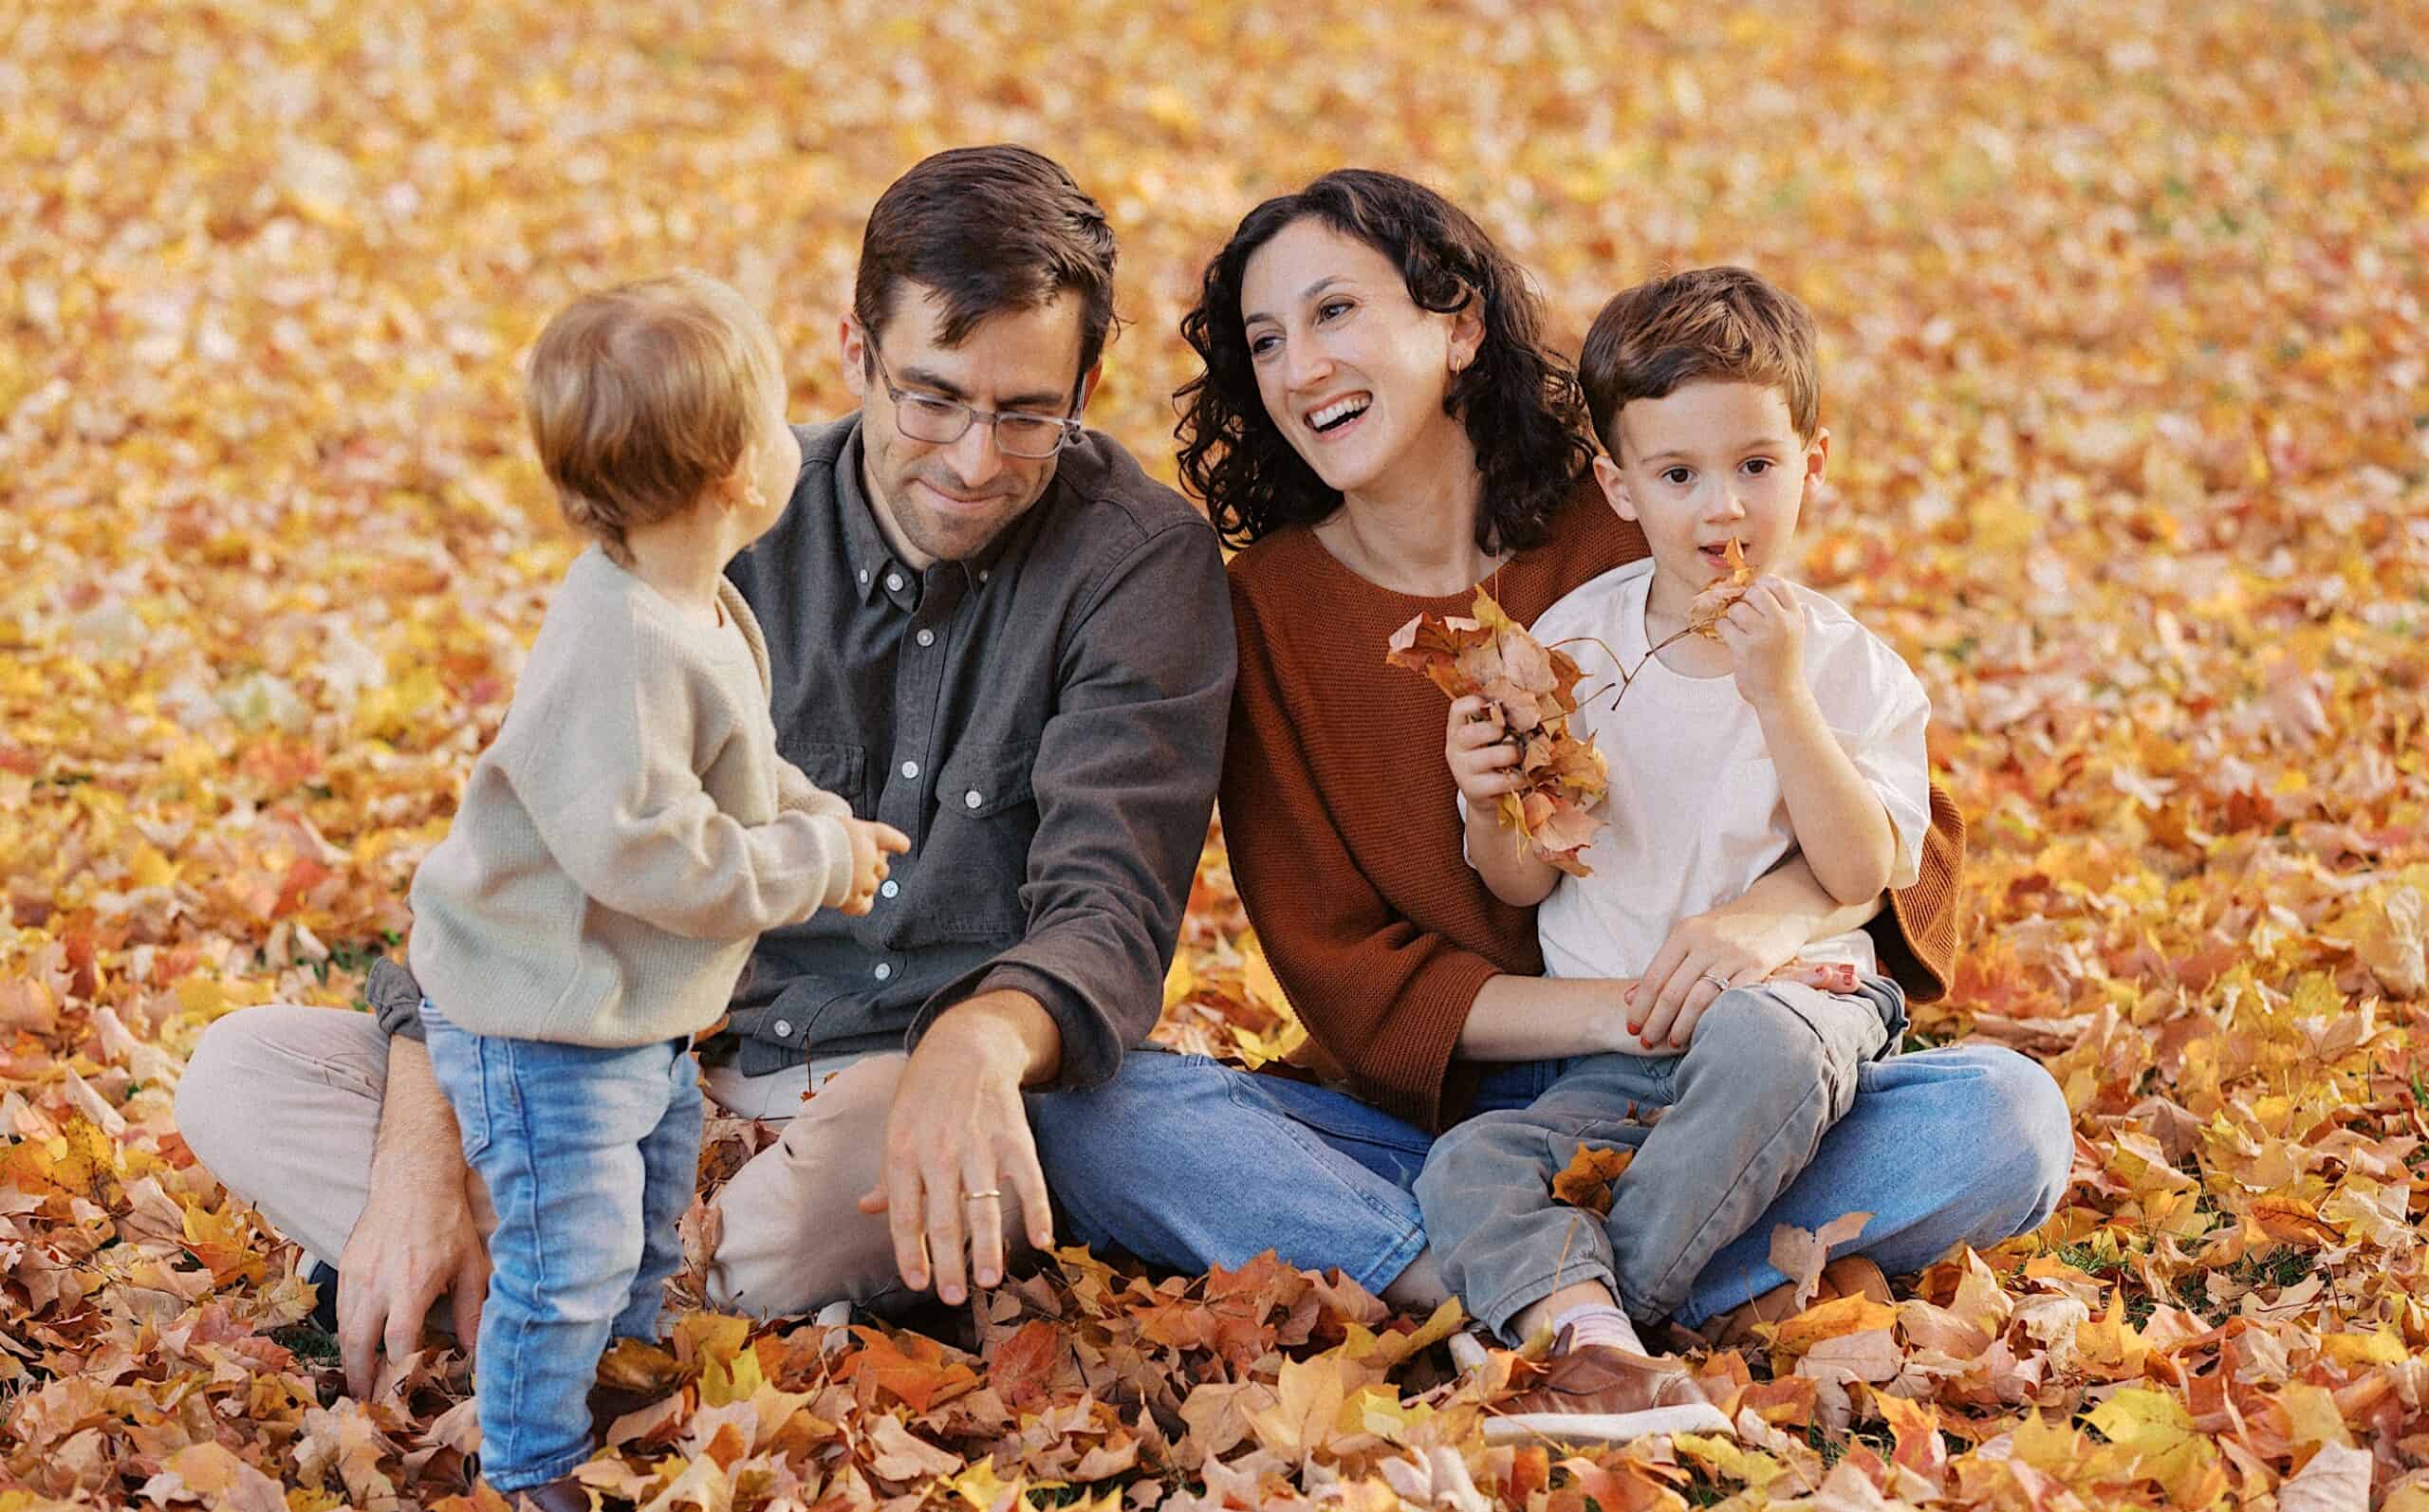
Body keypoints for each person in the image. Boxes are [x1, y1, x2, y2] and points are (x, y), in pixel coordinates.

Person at [174, 146, 1236, 1405]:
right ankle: (605, 1297)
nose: (971, 457)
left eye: (1026, 414)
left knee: (878, 1178)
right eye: (933, 399)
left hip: (886, 1091)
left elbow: (1109, 908)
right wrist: (416, 1153)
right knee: (241, 1072)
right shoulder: (714, 517)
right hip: (638, 1061)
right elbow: (518, 868)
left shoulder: (1140, 563)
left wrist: (982, 1042)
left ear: (1087, 384)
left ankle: (542, 1297)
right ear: (856, 350)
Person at [1028, 173, 2072, 1402]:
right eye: (1266, 340)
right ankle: (1588, 1285)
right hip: (1459, 1121)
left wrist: (1755, 927)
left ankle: (1543, 1301)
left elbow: (1905, 834)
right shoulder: (1267, 615)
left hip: (1735, 1081)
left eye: (1335, 314)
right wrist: (1623, 1008)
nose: (1302, 367)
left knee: (2004, 1115)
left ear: (1458, 324)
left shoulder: (1636, 501)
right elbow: (1352, 979)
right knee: (1099, 1110)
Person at [406, 271, 909, 1512]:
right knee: (568, 1249)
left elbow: (735, 769)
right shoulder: (622, 642)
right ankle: (524, 1470)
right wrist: (808, 871)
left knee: (643, 1214)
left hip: (626, 1015)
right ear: (741, 465)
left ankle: (612, 1390)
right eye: (782, 416)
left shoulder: (694, 601)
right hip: (541, 1020)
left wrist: (817, 817)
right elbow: (651, 851)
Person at [1413, 266, 1934, 1412]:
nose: (1723, 510)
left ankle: (1599, 1321)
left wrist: (1781, 698)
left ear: (1814, 463)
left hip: (1790, 1029)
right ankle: (1621, 1324)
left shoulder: (1844, 664)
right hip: (1612, 1067)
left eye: (1756, 465)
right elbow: (1514, 878)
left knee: (1793, 1052)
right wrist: (1486, 790)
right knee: (1467, 1161)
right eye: (1679, 475)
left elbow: (1861, 871)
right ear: (1618, 484)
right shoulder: (1576, 646)